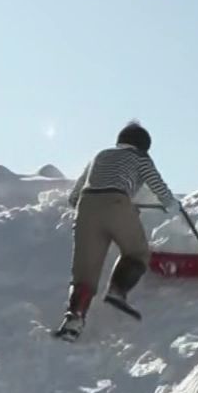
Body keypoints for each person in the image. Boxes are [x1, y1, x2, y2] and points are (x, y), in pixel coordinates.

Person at [55, 120, 177, 340]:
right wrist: (170, 203)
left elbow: (73, 198)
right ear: (143, 146)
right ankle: (117, 291)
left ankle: (73, 321)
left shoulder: (99, 156)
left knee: (84, 274)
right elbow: (156, 184)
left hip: (86, 208)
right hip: (117, 203)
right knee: (137, 252)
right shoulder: (140, 158)